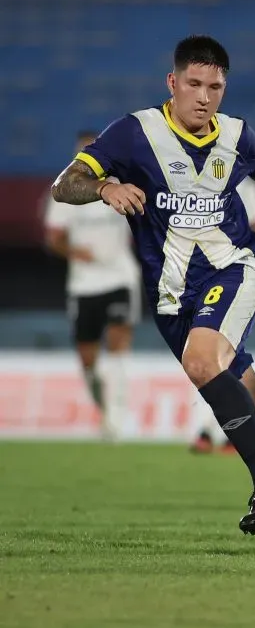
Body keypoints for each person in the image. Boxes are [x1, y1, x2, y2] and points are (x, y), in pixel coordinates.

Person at [50, 35, 255, 534]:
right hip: (171, 297)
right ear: (173, 83)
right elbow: (63, 186)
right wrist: (105, 186)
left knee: (202, 362)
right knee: (254, 407)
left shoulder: (237, 135)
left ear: (224, 88)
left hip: (234, 269)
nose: (203, 96)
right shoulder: (134, 133)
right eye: (193, 84)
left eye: (214, 87)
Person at [44, 130, 141, 441]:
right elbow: (54, 238)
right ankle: (105, 411)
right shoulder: (64, 193)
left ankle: (118, 418)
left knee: (119, 342)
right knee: (89, 360)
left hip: (120, 278)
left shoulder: (119, 187)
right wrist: (74, 252)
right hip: (84, 285)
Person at [191, 176, 255, 454]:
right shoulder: (182, 177)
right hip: (197, 279)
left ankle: (221, 431)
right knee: (210, 358)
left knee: (220, 356)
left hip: (236, 278)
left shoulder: (241, 183)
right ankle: (224, 430)